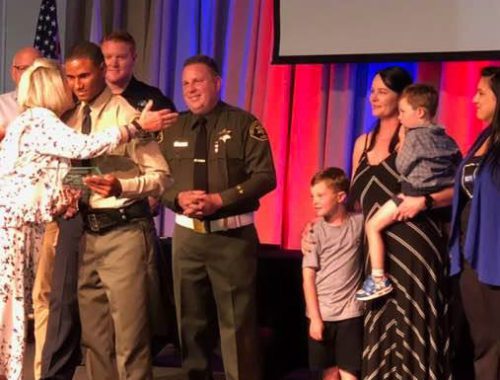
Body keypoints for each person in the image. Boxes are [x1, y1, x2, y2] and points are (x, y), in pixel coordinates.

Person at [0, 58, 165, 380]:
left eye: (81, 75)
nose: (72, 85)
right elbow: (85, 146)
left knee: (20, 310)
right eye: (66, 78)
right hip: (20, 230)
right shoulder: (41, 120)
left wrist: (70, 194)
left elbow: (61, 173)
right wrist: (136, 128)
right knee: (15, 310)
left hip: (109, 228)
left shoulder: (112, 111)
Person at [160, 54, 276, 380]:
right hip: (187, 239)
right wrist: (175, 198)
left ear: (217, 83)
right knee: (190, 324)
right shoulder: (173, 128)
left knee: (237, 326)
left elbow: (265, 177)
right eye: (185, 83)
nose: (191, 89)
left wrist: (219, 200)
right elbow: (159, 180)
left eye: (198, 81)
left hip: (232, 240)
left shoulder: (243, 124)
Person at [348, 66, 452, 379]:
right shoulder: (362, 144)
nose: (373, 97)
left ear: (402, 98)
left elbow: (456, 188)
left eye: (382, 91)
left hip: (415, 251)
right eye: (372, 90)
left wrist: (426, 201)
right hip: (376, 257)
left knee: (416, 328)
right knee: (380, 332)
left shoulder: (421, 139)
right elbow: (357, 206)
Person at [101, 30, 178, 353]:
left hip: (136, 203)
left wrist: (155, 194)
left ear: (133, 58)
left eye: (120, 56)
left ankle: (152, 340)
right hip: (94, 204)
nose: (113, 63)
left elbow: (171, 152)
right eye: (107, 57)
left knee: (139, 283)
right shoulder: (92, 98)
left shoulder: (152, 99)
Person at [358, 84, 461, 301]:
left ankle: (378, 278)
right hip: (438, 202)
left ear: (420, 112)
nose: (400, 117)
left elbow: (402, 165)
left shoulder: (413, 137)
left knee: (372, 225)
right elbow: (457, 167)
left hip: (409, 194)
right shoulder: (447, 138)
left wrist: (403, 144)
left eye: (403, 112)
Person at [449, 66, 500, 380]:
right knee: (482, 343)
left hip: (495, 256)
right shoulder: (484, 137)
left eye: (481, 93)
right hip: (472, 256)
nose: (473, 99)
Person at [302, 168, 364, 380]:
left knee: (349, 371)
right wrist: (316, 319)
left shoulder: (358, 224)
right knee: (329, 372)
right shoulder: (314, 232)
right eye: (312, 196)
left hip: (350, 315)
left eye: (320, 195)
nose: (314, 201)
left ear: (340, 196)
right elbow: (308, 278)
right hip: (322, 315)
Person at [0, 46, 41, 139]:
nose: (31, 74)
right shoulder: (1, 105)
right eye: (26, 68)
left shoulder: (56, 105)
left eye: (37, 69)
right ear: (14, 72)